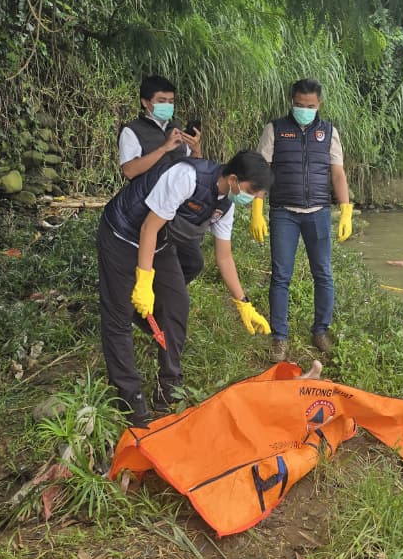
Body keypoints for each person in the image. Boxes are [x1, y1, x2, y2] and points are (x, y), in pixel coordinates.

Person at [98, 150, 273, 423]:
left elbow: (224, 256)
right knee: (117, 317)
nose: (251, 198)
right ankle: (130, 396)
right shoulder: (188, 176)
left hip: (158, 240)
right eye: (252, 190)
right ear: (235, 179)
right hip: (122, 231)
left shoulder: (226, 204)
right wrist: (144, 281)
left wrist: (243, 302)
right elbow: (148, 228)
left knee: (177, 305)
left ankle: (169, 386)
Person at [250, 79, 353, 363]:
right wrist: (257, 206)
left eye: (310, 106)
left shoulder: (329, 133)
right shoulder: (275, 130)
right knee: (281, 276)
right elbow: (262, 170)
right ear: (291, 101)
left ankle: (321, 331)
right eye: (299, 105)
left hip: (318, 212)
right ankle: (279, 338)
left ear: (319, 104)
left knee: (324, 274)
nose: (304, 110)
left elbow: (338, 174)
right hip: (284, 212)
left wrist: (345, 210)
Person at [118, 74, 204, 283]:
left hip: (176, 208)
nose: (168, 106)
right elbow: (129, 170)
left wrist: (196, 149)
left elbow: (193, 168)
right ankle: (147, 302)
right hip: (145, 207)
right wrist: (164, 148)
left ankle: (164, 297)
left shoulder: (177, 128)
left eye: (171, 102)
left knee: (193, 262)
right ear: (145, 102)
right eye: (161, 101)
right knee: (153, 259)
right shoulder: (132, 131)